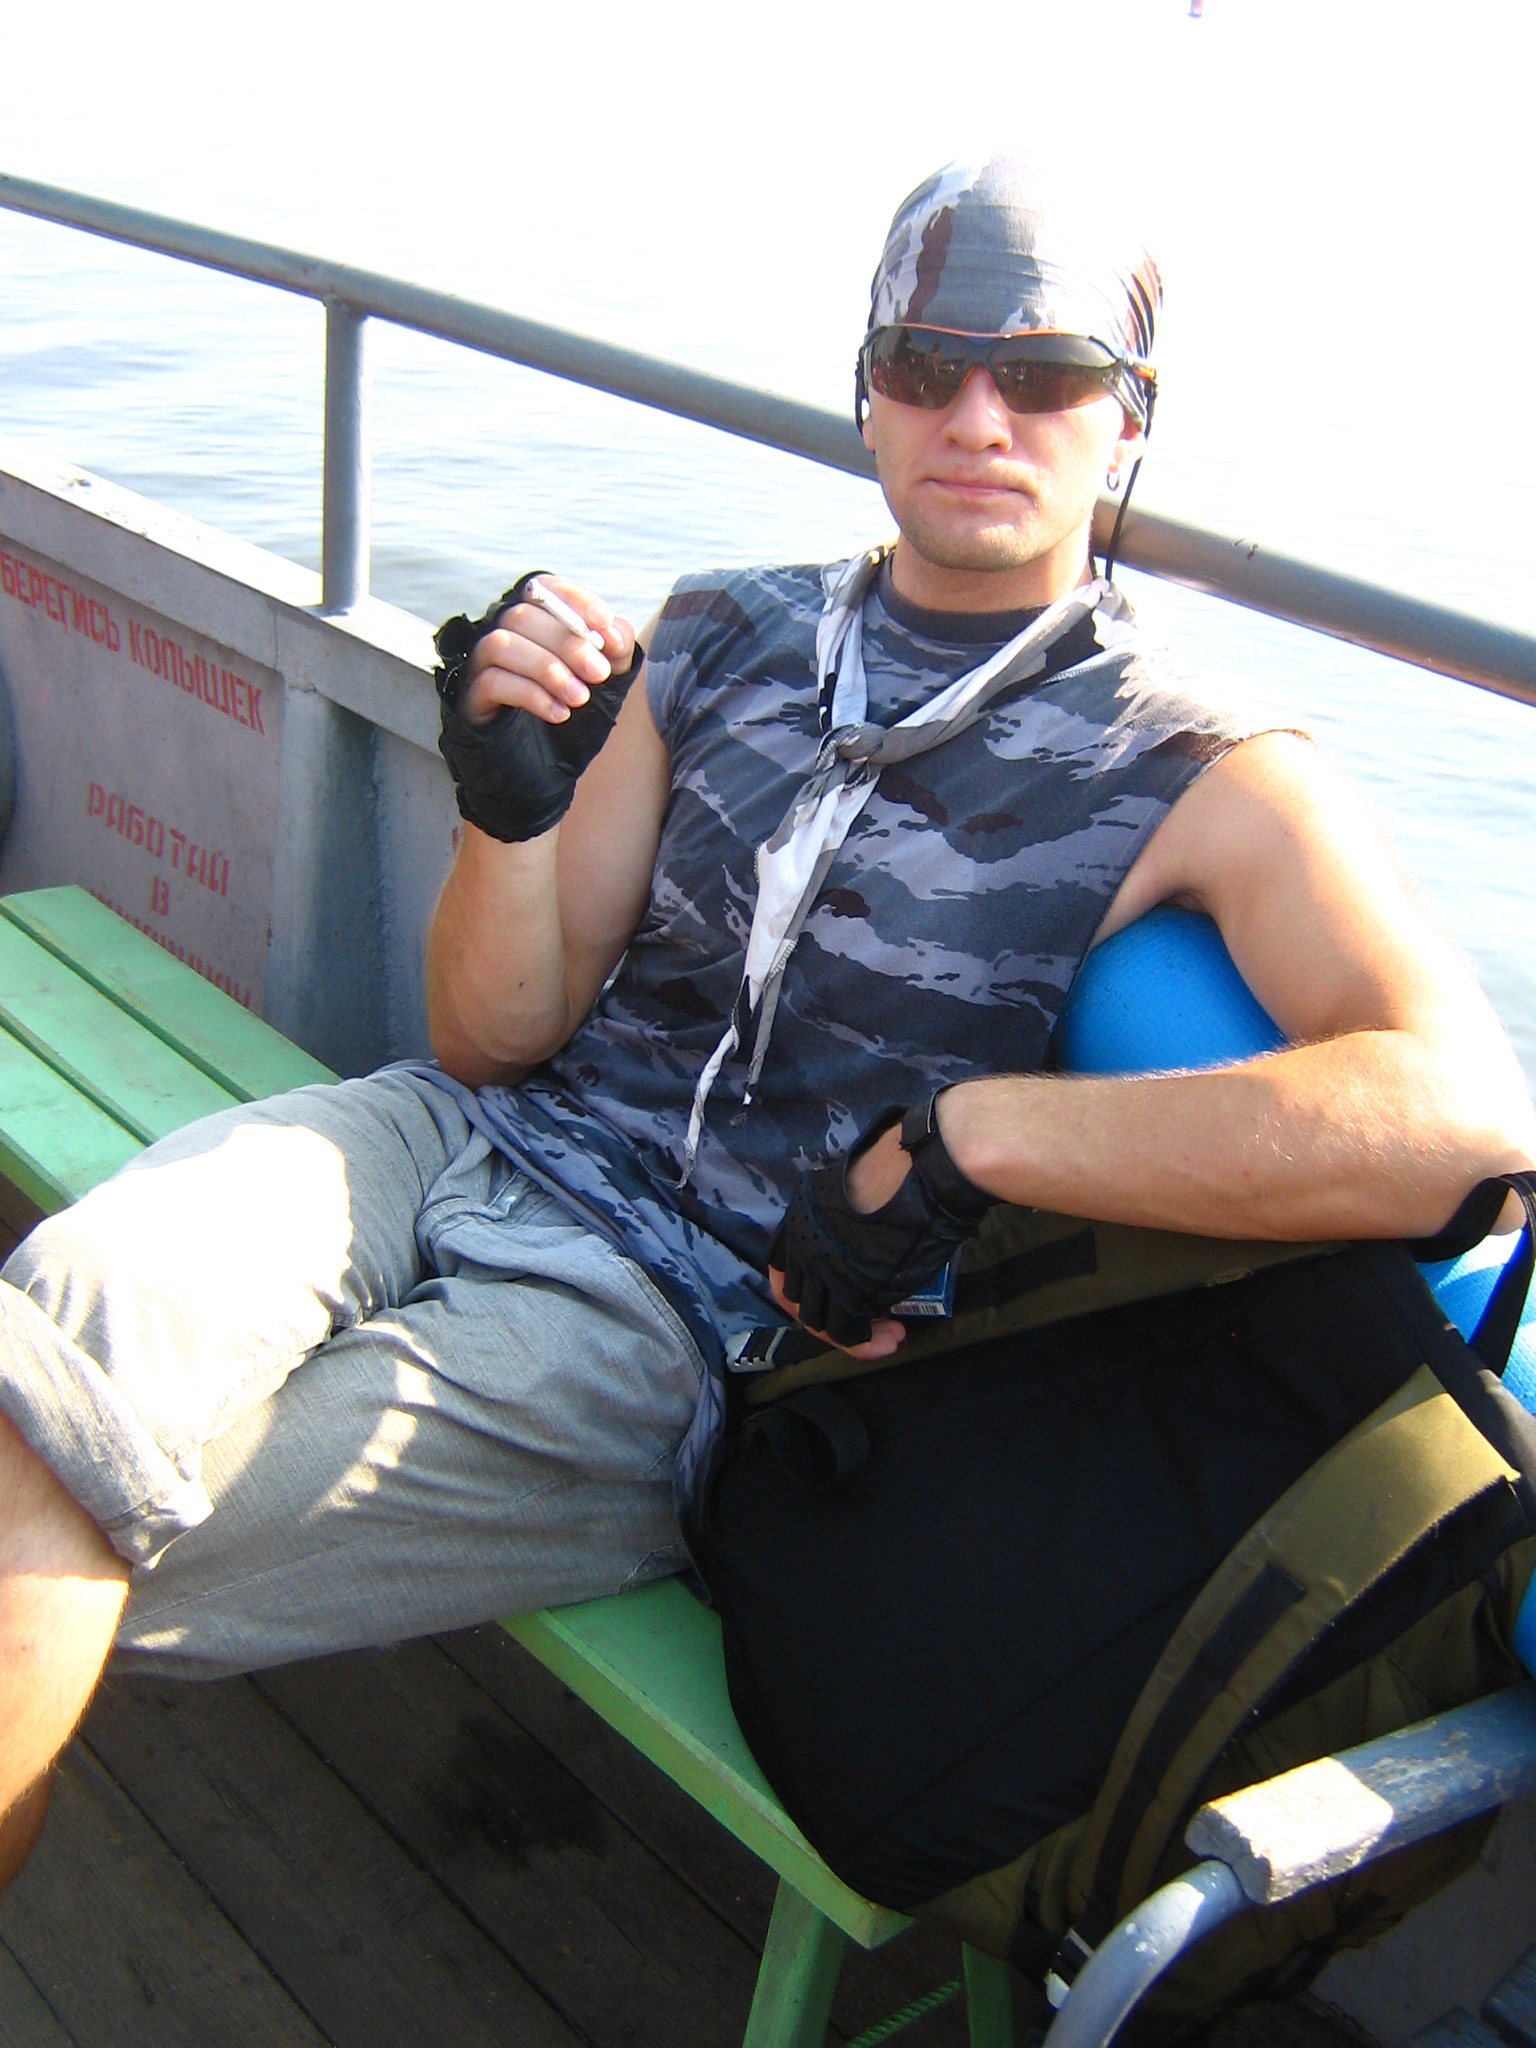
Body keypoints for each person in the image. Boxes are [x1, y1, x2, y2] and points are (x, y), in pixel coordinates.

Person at [0, 154, 1530, 1899]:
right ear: (865, 390)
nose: (978, 416)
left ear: (1130, 416)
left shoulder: (1194, 759)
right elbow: (493, 1041)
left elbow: (1460, 1115)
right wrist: (504, 812)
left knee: (105, 1510)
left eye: (1044, 376)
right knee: (69, 1323)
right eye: (926, 365)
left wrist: (978, 1139)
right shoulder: (719, 631)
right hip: (451, 1136)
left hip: (674, 1332)